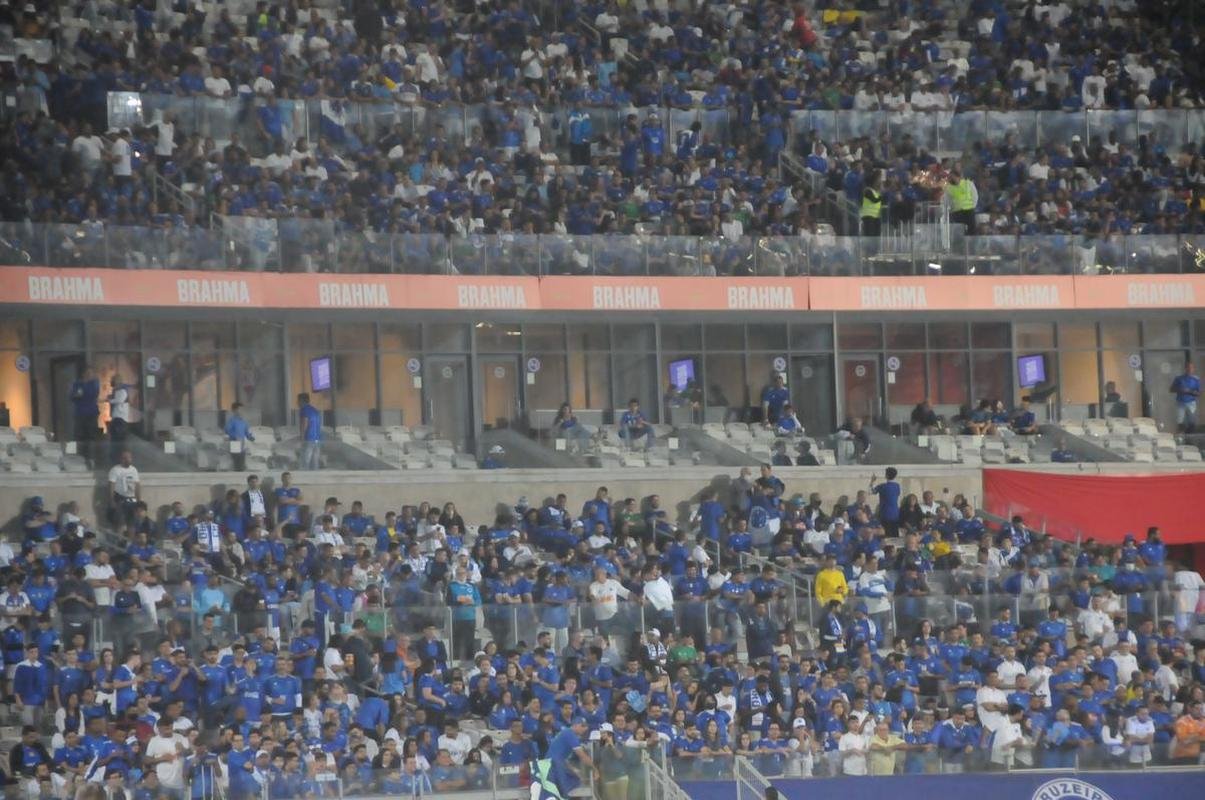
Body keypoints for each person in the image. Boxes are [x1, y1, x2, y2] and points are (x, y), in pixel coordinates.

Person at [69, 367, 101, 464]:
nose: (89, 375)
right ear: (83, 374)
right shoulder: (77, 384)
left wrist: (83, 392)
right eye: (87, 373)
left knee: (91, 436)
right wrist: (76, 395)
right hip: (80, 413)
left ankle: (91, 458)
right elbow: (71, 397)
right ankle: (79, 459)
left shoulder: (94, 383)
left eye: (91, 373)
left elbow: (94, 394)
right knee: (79, 436)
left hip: (91, 413)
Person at [108, 450, 141, 528]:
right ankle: (120, 539)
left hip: (132, 499)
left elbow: (137, 485)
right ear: (121, 459)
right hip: (120, 499)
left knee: (132, 523)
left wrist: (139, 500)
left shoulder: (134, 469)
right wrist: (112, 500)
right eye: (125, 458)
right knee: (120, 523)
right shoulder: (115, 469)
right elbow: (111, 485)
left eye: (129, 458)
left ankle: (130, 539)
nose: (127, 460)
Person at [945, 167, 978, 235]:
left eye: (952, 177)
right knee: (959, 232)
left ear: (958, 176)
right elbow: (947, 201)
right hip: (957, 212)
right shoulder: (949, 187)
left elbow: (975, 196)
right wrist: (951, 210)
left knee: (972, 230)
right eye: (950, 177)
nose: (951, 178)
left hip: (969, 211)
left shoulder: (968, 184)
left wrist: (972, 207)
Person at [106, 374, 130, 464]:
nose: (112, 382)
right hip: (116, 417)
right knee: (116, 440)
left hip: (120, 418)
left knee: (119, 440)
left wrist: (109, 400)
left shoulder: (122, 390)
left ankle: (119, 459)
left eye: (113, 380)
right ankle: (116, 458)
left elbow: (119, 400)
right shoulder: (117, 391)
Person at [870, 468, 901, 537]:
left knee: (886, 534)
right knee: (895, 534)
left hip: (885, 513)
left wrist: (872, 481)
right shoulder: (897, 486)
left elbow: (872, 491)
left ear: (886, 475)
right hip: (895, 513)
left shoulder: (882, 486)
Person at [1170, 362, 1199, 433]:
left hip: (1191, 403)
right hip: (1180, 403)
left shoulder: (1196, 379)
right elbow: (1171, 389)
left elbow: (1198, 393)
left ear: (1193, 369)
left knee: (1191, 422)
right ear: (1185, 368)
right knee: (1180, 422)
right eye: (1188, 368)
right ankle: (1181, 438)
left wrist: (1189, 391)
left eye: (1191, 368)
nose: (1189, 369)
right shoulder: (1178, 378)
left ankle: (1191, 438)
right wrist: (1180, 389)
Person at [224, 402, 254, 472]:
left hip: (242, 442)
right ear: (234, 410)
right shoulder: (232, 421)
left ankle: (241, 470)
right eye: (240, 409)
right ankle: (237, 471)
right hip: (234, 442)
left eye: (242, 410)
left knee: (242, 456)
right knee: (237, 457)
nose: (242, 411)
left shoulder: (243, 421)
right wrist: (235, 436)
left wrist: (250, 437)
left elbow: (246, 432)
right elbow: (227, 430)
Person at [297, 393, 322, 470]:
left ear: (302, 400)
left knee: (305, 460)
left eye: (298, 400)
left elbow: (305, 422)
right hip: (317, 438)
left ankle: (304, 476)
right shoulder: (314, 410)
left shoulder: (304, 409)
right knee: (315, 460)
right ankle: (315, 476)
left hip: (308, 439)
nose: (297, 402)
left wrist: (301, 437)